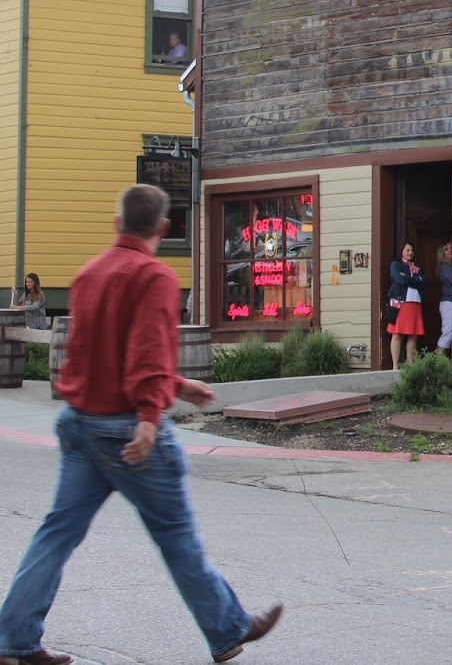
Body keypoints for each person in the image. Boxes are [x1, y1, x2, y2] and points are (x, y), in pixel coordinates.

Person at [0, 185, 282, 665]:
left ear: (117, 224)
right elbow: (146, 353)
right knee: (175, 533)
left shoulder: (89, 274)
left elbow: (103, 354)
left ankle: (13, 638)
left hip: (80, 423)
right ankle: (229, 627)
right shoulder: (154, 276)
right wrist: (151, 418)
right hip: (126, 428)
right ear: (164, 229)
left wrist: (176, 385)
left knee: (58, 531)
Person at [386, 243, 425, 367]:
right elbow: (399, 279)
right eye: (407, 250)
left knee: (413, 334)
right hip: (401, 302)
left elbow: (424, 283)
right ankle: (395, 365)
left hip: (415, 303)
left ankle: (410, 364)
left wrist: (409, 279)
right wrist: (415, 280)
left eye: (412, 250)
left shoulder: (417, 267)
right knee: (397, 334)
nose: (410, 253)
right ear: (402, 251)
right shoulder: (396, 265)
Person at [435, 243, 452, 358]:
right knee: (448, 333)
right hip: (448, 303)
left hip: (451, 303)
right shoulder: (445, 266)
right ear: (441, 253)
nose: (450, 250)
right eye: (446, 249)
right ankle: (437, 363)